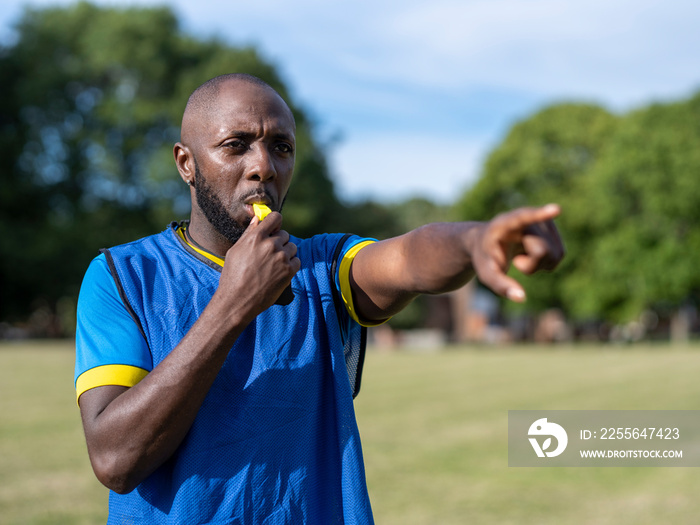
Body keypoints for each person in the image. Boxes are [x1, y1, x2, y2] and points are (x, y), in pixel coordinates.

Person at [75, 73, 564, 524]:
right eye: (236, 145)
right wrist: (232, 305)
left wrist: (472, 242)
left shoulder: (322, 268)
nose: (262, 166)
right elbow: (117, 459)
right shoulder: (122, 276)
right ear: (187, 163)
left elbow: (409, 258)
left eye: (281, 147)